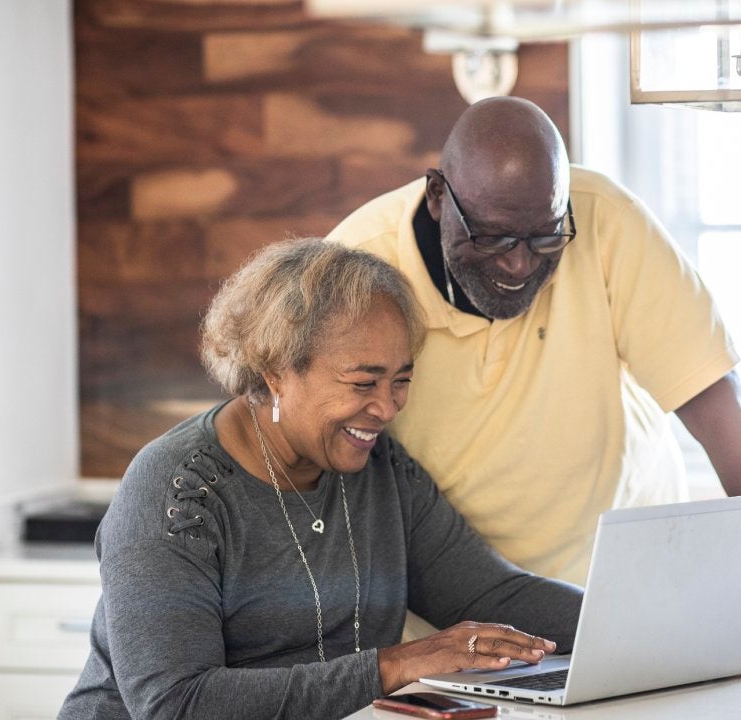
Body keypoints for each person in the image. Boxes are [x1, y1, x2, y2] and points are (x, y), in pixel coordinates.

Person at [325, 97, 741, 653]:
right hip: (446, 628)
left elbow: (724, 419)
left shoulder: (607, 223)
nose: (519, 266)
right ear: (439, 196)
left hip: (623, 592)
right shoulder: (359, 269)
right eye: (492, 238)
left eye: (546, 237)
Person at [59, 240, 582, 719]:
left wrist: (641, 618)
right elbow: (177, 704)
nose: (386, 407)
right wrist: (394, 666)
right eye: (363, 382)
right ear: (276, 370)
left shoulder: (384, 473)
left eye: (401, 380)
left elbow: (494, 594)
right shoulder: (174, 490)